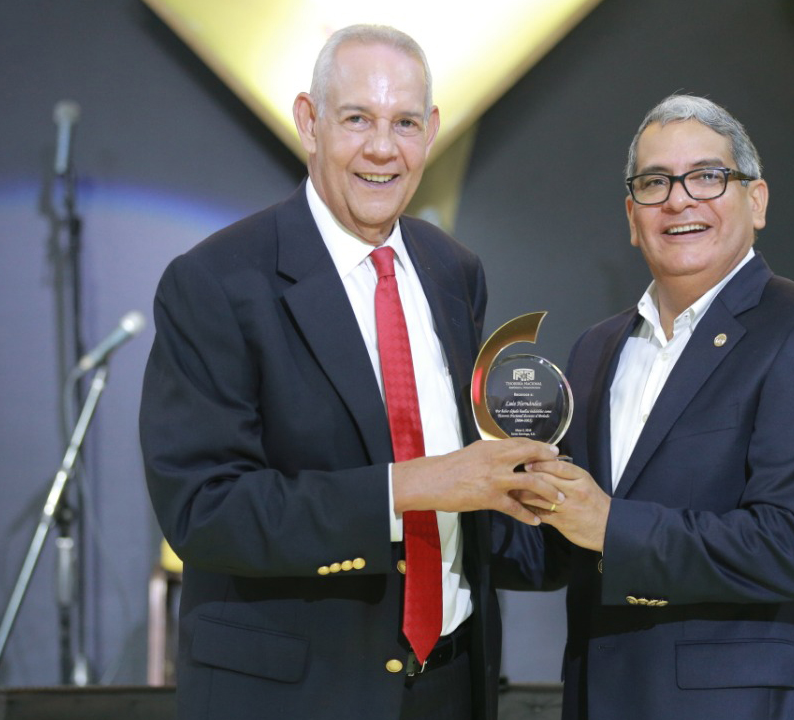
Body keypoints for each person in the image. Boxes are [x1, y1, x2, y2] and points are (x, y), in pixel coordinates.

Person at [139, 24, 561, 720]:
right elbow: (205, 511)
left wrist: (561, 507)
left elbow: (473, 496)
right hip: (297, 695)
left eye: (404, 123)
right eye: (357, 118)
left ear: (430, 131)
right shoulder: (216, 282)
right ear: (309, 121)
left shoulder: (453, 270)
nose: (382, 148)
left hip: (451, 684)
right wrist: (409, 487)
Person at [497, 94, 794, 719]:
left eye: (707, 177)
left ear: (756, 201)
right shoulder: (597, 348)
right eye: (655, 183)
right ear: (632, 216)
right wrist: (456, 496)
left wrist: (609, 525)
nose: (679, 200)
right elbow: (558, 550)